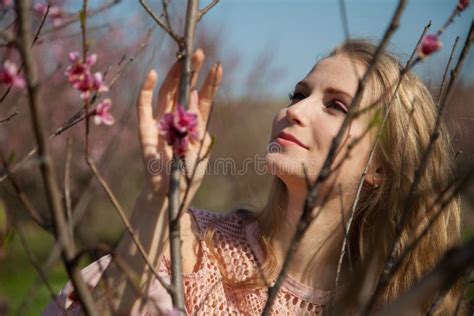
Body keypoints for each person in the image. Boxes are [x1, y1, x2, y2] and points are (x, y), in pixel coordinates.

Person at [42, 38, 463, 315]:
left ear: (379, 167)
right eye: (299, 94)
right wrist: (158, 199)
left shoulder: (394, 303)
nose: (294, 111)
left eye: (336, 106)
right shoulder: (190, 246)